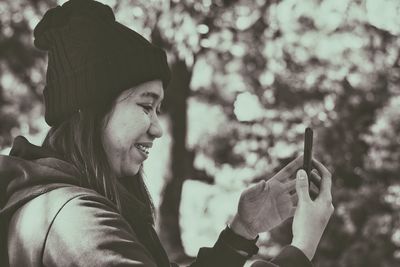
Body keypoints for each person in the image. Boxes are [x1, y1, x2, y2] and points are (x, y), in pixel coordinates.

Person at [0, 0, 334, 266]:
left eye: (158, 109)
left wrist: (241, 231)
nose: (158, 129)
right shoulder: (77, 224)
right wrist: (301, 248)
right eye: (146, 106)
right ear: (89, 110)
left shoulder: (62, 204)